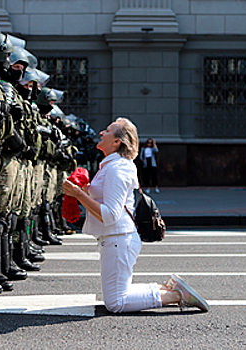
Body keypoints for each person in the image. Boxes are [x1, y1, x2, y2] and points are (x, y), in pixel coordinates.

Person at [62, 118, 209, 314]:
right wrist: (85, 189)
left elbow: (110, 215)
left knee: (116, 303)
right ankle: (165, 288)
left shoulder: (117, 168)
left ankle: (177, 296)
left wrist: (79, 194)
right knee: (118, 295)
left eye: (107, 131)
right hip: (117, 239)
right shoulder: (111, 165)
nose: (101, 133)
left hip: (118, 239)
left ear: (117, 142)